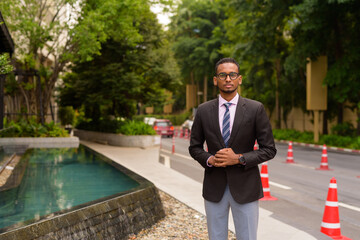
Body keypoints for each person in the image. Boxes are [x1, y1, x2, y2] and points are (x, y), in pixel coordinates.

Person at [189, 58, 277, 240]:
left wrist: (239, 158)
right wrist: (210, 159)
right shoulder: (204, 111)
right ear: (215, 80)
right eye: (223, 75)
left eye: (232, 75)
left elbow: (269, 149)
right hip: (214, 187)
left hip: (246, 187)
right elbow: (194, 147)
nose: (228, 79)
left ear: (239, 79)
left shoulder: (255, 109)